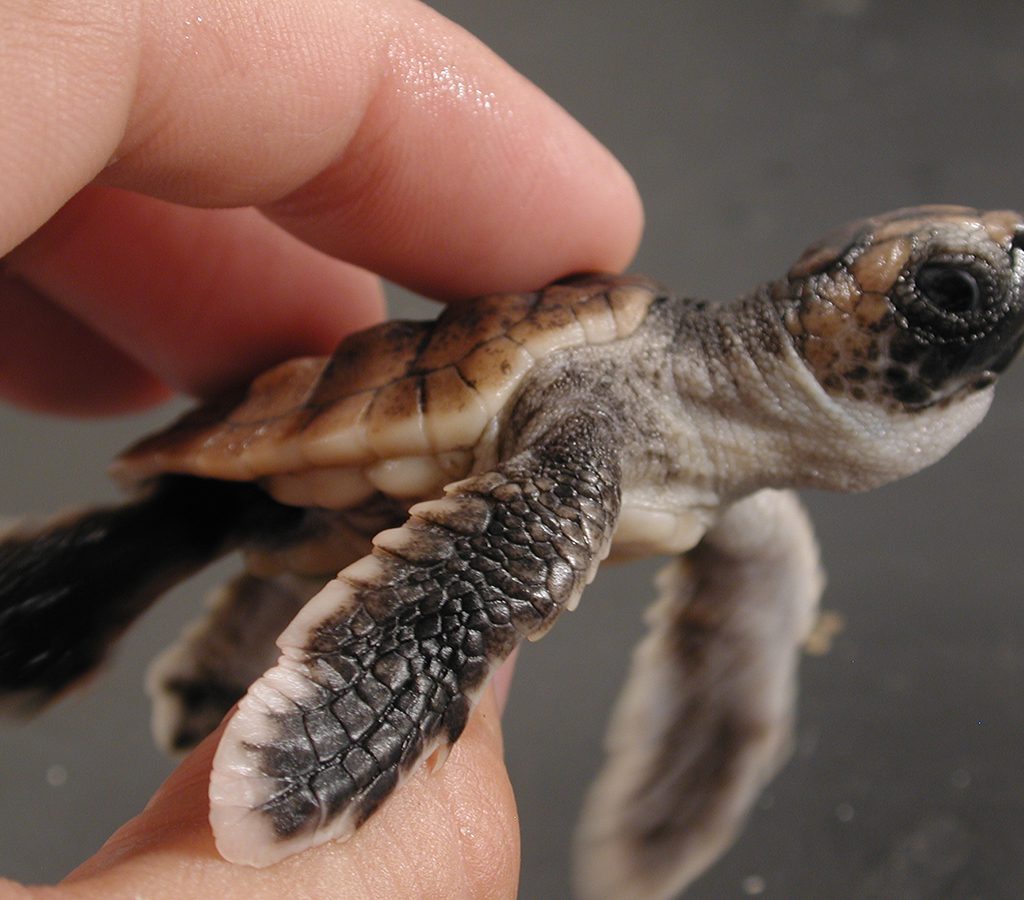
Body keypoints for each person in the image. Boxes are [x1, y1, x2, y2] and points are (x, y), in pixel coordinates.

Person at [0, 2, 643, 896]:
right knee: (162, 548)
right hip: (337, 443)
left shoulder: (750, 482)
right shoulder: (609, 414)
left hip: (338, 495)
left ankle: (206, 647)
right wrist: (394, 684)